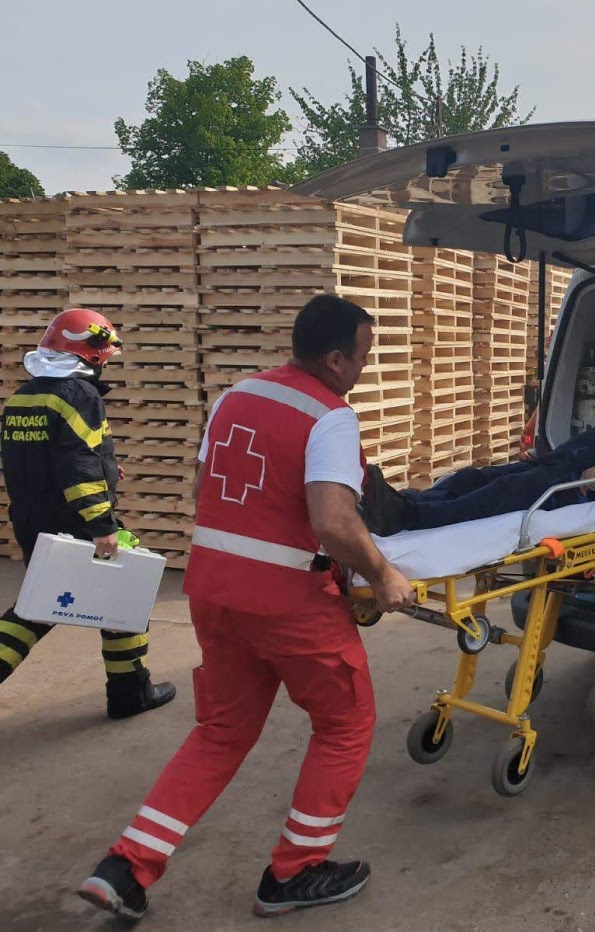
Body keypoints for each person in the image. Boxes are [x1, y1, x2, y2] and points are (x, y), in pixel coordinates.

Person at [77, 295, 415, 922]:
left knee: (222, 732)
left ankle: (126, 866)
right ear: (335, 358)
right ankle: (296, 870)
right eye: (363, 356)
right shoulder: (330, 416)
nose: (364, 367)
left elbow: (204, 488)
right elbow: (334, 520)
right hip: (288, 603)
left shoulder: (236, 396)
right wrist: (382, 573)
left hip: (213, 592)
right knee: (345, 723)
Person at [0, 308, 176, 718]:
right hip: (76, 522)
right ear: (92, 353)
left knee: (39, 608)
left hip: (33, 521)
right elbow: (77, 464)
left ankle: (130, 692)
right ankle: (131, 694)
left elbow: (43, 457)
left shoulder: (24, 396)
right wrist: (101, 524)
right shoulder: (79, 395)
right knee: (126, 591)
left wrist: (107, 467)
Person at [361, 392, 595, 536]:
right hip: (556, 464)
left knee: (501, 492)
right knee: (472, 478)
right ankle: (401, 503)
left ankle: (407, 518)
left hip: (579, 485)